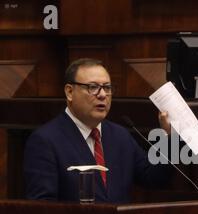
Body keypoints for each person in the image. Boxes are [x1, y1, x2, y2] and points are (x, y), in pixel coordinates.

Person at [24, 58, 172, 203]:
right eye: (93, 87)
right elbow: (43, 207)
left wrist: (168, 137)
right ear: (69, 92)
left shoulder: (120, 136)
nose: (102, 95)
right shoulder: (45, 141)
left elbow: (155, 179)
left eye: (107, 88)